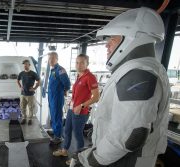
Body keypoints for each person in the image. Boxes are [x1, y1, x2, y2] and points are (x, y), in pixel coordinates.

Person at [72, 7, 170, 167]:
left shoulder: (138, 74)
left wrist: (91, 160)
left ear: (132, 39)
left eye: (113, 38)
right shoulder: (147, 69)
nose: (107, 45)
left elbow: (131, 135)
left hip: (124, 161)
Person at [53, 54, 99, 165]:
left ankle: (78, 158)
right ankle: (64, 150)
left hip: (81, 112)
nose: (79, 65)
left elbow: (96, 97)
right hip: (72, 109)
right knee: (67, 130)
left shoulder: (90, 77)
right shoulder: (79, 75)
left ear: (87, 64)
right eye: (77, 62)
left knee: (78, 135)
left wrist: (81, 105)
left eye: (82, 62)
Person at [48, 52, 71, 144]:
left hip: (57, 96)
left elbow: (67, 84)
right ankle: (55, 130)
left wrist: (64, 90)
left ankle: (58, 137)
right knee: (53, 114)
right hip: (51, 96)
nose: (50, 60)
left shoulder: (60, 69)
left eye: (52, 58)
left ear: (57, 59)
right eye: (49, 59)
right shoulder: (53, 70)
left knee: (57, 115)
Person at [17, 59, 40, 125]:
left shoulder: (33, 73)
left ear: (29, 65)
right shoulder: (21, 73)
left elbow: (38, 81)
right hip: (23, 94)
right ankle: (24, 118)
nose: (25, 66)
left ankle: (30, 119)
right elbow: (18, 80)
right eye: (24, 64)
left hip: (30, 94)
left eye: (26, 64)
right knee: (22, 107)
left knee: (30, 107)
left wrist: (34, 88)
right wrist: (20, 86)